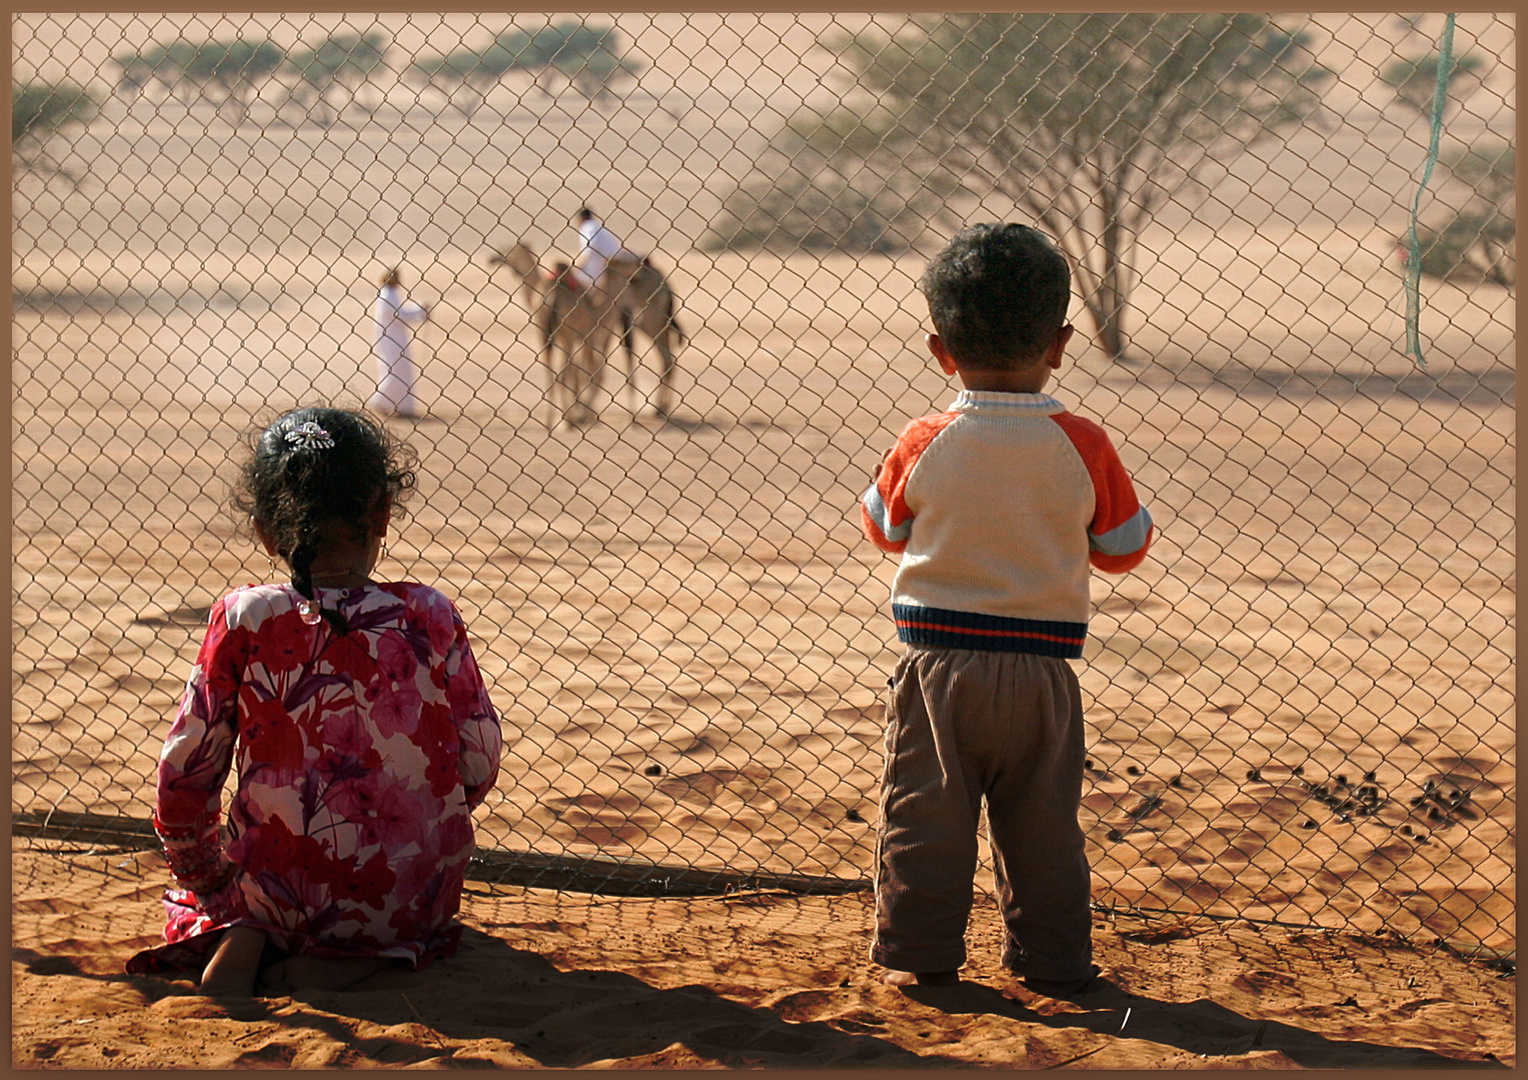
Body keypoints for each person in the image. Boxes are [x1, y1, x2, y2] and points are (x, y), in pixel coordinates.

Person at [860, 223, 1154, 995]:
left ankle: (921, 957)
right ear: (1060, 344)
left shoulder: (925, 438)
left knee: (925, 816)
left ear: (939, 349)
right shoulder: (1084, 442)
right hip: (1043, 677)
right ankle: (1054, 962)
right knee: (1044, 826)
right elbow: (1124, 548)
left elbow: (884, 528)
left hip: (938, 673)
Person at [126, 406, 502, 997]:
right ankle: (338, 963)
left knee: (237, 889)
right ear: (381, 513)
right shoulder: (429, 613)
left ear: (265, 530)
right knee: (412, 934)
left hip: (276, 879)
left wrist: (209, 879)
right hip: (403, 893)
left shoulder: (245, 617)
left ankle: (247, 926)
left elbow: (184, 774)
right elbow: (478, 760)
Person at [368, 268, 428, 420]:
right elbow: (399, 315)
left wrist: (419, 311)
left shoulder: (390, 294)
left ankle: (401, 405)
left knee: (400, 371)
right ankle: (381, 402)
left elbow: (400, 313)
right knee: (393, 371)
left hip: (396, 340)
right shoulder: (387, 295)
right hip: (390, 341)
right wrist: (419, 311)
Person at [570, 207, 631, 291]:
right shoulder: (596, 226)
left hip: (603, 260)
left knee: (581, 279)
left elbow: (591, 245)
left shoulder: (587, 227)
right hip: (610, 258)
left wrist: (582, 262)